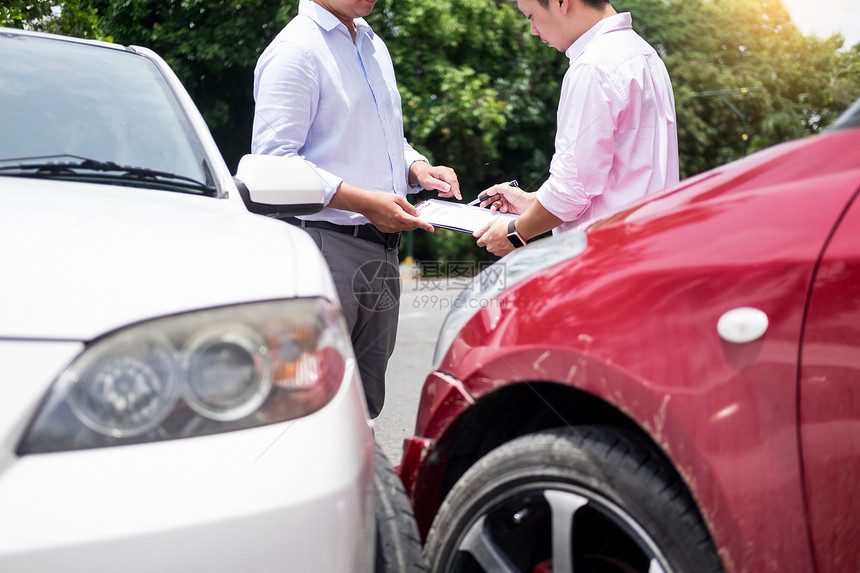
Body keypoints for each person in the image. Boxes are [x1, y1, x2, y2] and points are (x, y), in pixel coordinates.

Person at [251, 0, 461, 418]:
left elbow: (381, 142)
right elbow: (272, 165)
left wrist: (417, 168)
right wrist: (364, 202)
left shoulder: (372, 43)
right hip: (325, 248)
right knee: (306, 405)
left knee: (363, 406)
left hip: (381, 251)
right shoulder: (295, 49)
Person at [475, 0, 678, 255]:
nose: (533, 30)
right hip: (647, 246)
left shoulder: (592, 66)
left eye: (531, 16)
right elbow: (619, 178)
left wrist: (516, 232)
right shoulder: (643, 53)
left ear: (561, 3)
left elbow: (570, 191)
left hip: (606, 257)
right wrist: (533, 202)